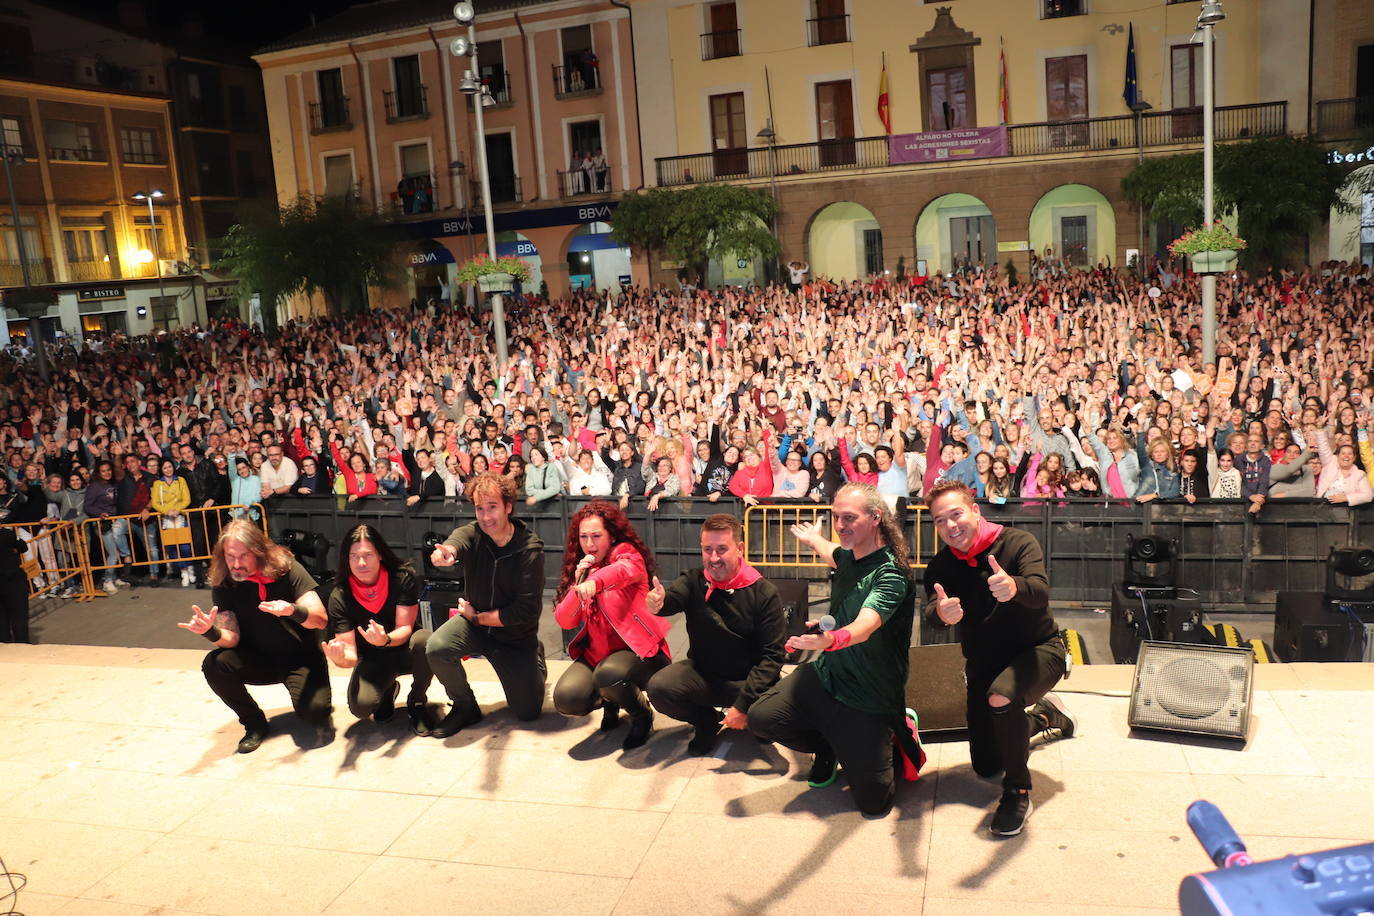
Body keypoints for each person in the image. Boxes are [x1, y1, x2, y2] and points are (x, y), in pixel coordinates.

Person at [747, 482, 916, 817]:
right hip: (828, 675)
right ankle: (827, 744)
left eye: (849, 518)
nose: (840, 525)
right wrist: (813, 538)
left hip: (871, 693)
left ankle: (899, 728)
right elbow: (831, 551)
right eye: (836, 516)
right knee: (762, 718)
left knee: (874, 803)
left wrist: (831, 638)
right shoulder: (848, 556)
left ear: (875, 518)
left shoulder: (891, 573)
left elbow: (865, 625)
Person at [922, 479, 1076, 836]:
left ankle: (1018, 791)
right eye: (940, 521)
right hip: (985, 663)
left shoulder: (1018, 542)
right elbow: (931, 609)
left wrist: (1014, 587)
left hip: (1039, 650)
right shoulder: (942, 566)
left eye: (956, 514)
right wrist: (941, 614)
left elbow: (1039, 592)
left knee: (1001, 698)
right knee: (986, 764)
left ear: (975, 511)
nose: (950, 526)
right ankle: (1044, 717)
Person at [176, 520, 332, 754]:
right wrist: (210, 631)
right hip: (258, 658)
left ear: (259, 552)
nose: (236, 564)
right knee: (215, 664)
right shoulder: (225, 582)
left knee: (314, 714)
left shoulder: (287, 569)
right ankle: (254, 723)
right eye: (230, 556)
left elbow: (319, 618)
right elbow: (232, 638)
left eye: (243, 556)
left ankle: (312, 695)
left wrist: (292, 610)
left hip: (300, 657)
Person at [645, 513, 786, 755]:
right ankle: (706, 721)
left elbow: (772, 657)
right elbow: (672, 599)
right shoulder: (693, 580)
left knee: (771, 719)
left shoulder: (764, 592)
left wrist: (742, 705)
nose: (713, 558)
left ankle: (754, 720)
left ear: (739, 548)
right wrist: (658, 603)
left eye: (722, 549)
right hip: (705, 675)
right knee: (659, 689)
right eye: (707, 549)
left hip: (747, 679)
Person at [426, 472, 547, 737]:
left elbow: (523, 611)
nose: (486, 516)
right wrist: (446, 553)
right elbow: (457, 541)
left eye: (492, 507)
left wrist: (476, 617)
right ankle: (465, 706)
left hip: (514, 637)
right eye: (479, 508)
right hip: (475, 626)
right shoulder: (474, 532)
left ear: (508, 507)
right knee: (436, 647)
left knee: (528, 712)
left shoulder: (529, 549)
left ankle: (535, 658)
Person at [552, 501, 671, 749]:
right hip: (598, 656)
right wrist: (577, 586)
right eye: (583, 537)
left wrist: (594, 582)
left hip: (639, 652)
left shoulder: (627, 554)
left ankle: (642, 715)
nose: (589, 543)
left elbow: (623, 570)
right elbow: (565, 619)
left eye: (597, 536)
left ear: (611, 535)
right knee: (567, 698)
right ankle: (610, 699)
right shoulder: (583, 566)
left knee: (609, 674)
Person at [323, 524, 435, 735]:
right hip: (373, 658)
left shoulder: (402, 578)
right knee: (361, 708)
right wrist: (338, 659)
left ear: (381, 555)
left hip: (405, 649)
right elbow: (349, 655)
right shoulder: (339, 595)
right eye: (354, 556)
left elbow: (404, 628)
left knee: (427, 641)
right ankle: (387, 690)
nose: (361, 562)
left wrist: (385, 640)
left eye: (368, 555)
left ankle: (417, 702)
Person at [0, 525, 28, 642]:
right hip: (13, 579)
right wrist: (13, 550)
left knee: (2, 618)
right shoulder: (7, 534)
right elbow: (23, 546)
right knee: (19, 615)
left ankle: (4, 644)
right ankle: (22, 644)